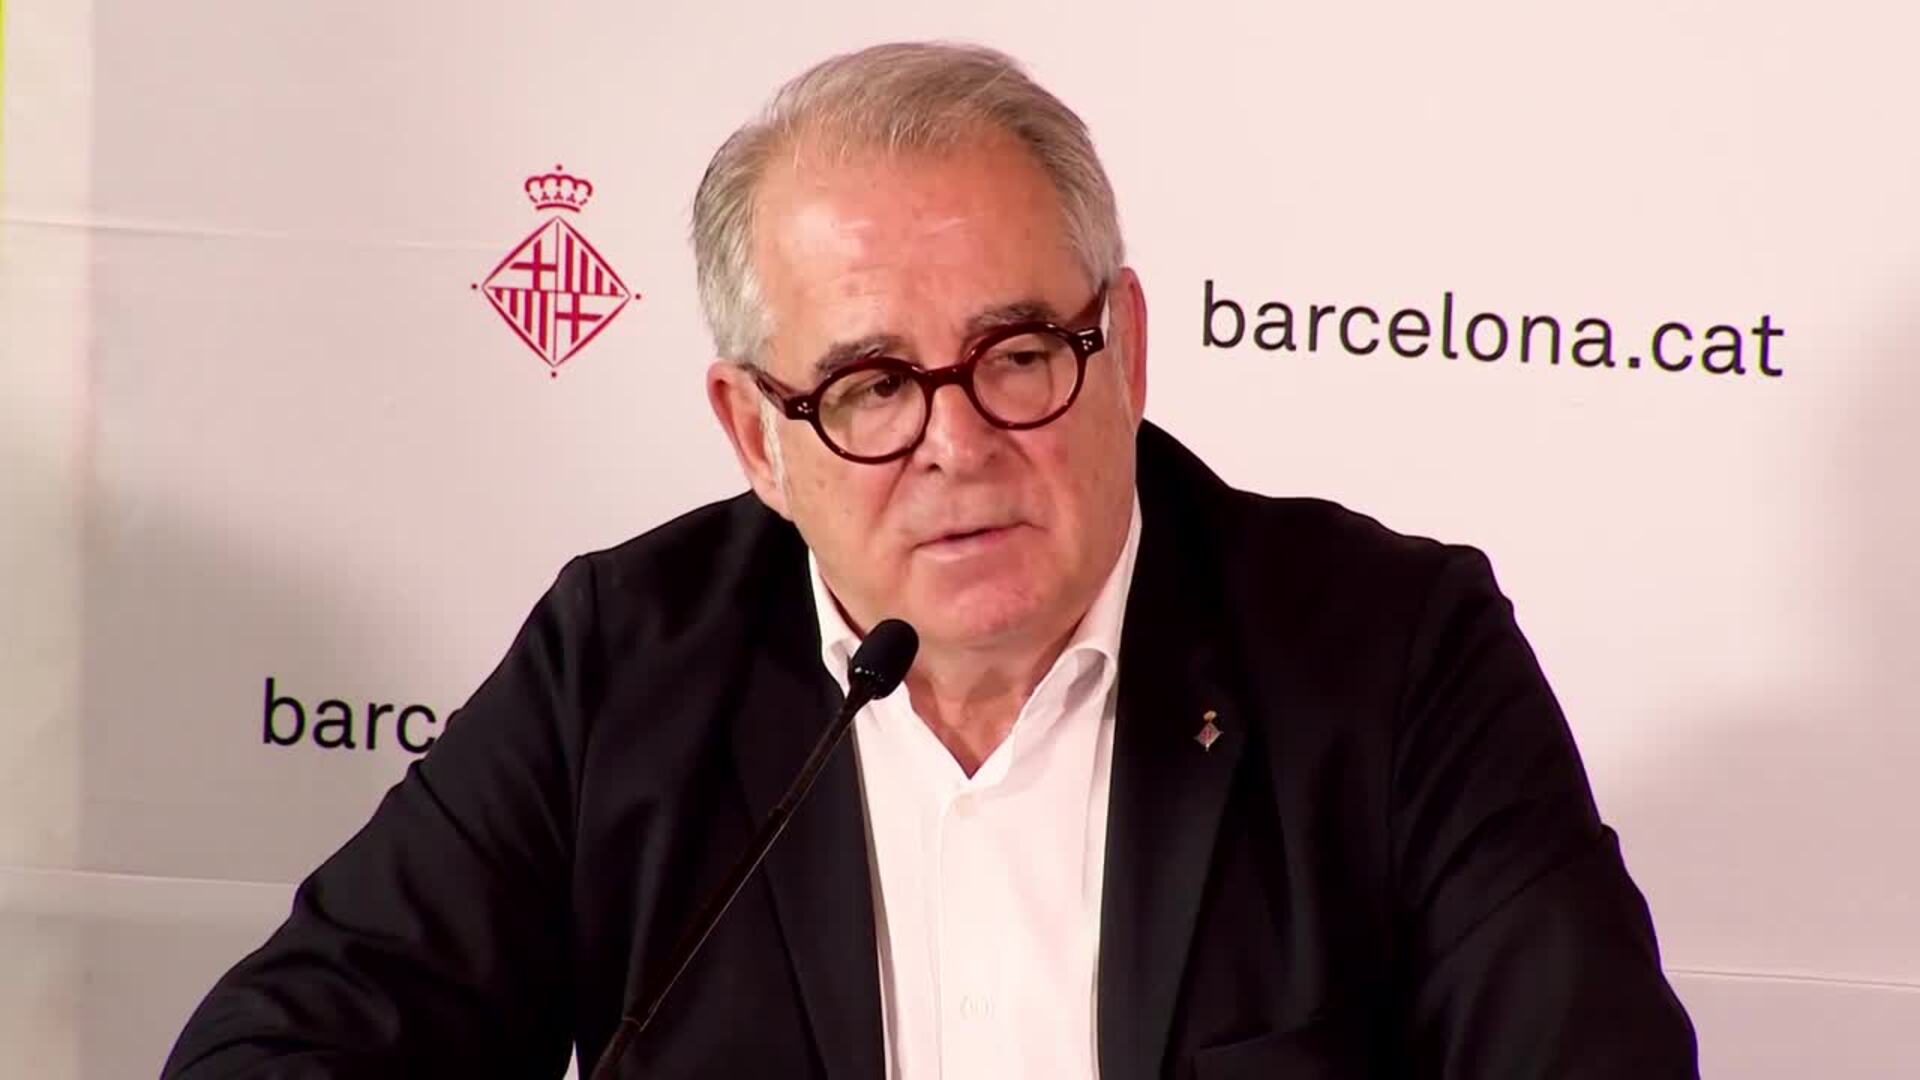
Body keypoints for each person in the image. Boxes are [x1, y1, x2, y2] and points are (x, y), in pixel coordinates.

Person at [165, 42, 1697, 1079]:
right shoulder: (623, 666)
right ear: (756, 435)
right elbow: (280, 1050)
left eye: (1018, 353)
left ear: (1126, 348)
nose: (957, 445)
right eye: (871, 386)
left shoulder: (1392, 653)